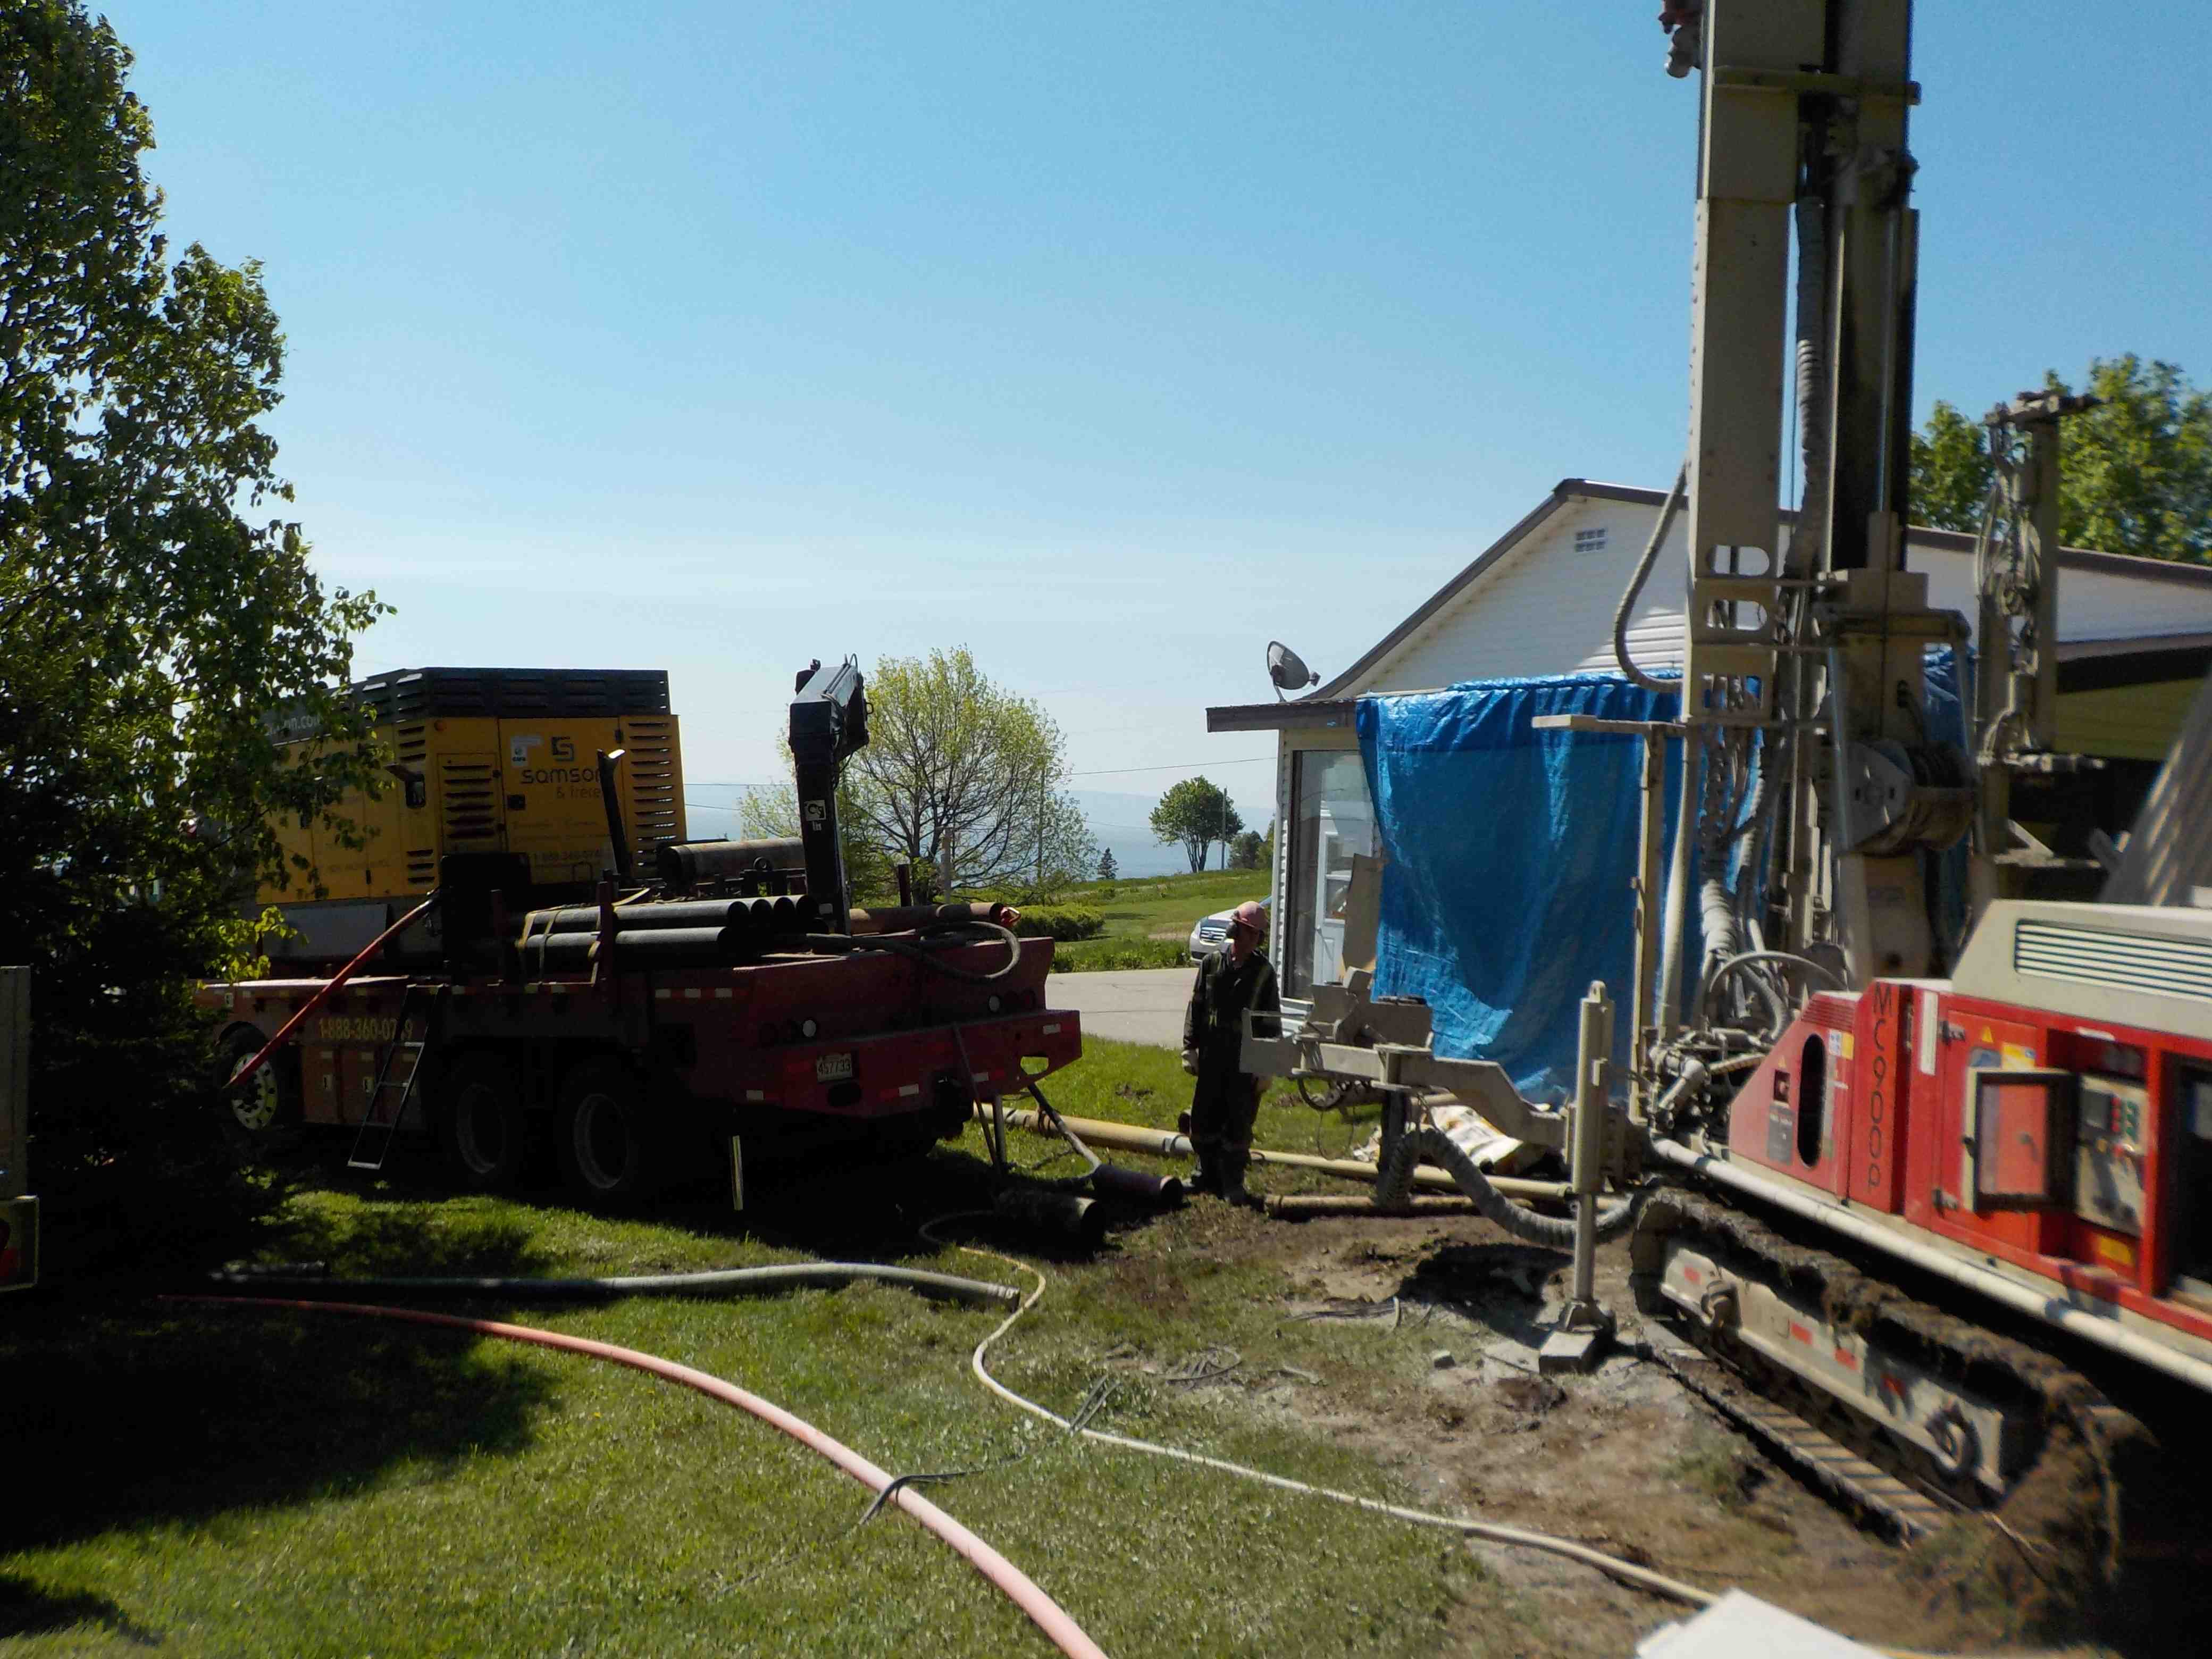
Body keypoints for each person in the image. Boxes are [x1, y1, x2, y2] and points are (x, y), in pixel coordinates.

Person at [1180, 900, 1280, 1204]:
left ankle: (1232, 1183)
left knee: (1238, 1124)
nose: (1254, 940)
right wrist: (1189, 1048)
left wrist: (1265, 1067)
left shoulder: (1264, 973)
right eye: (1249, 933)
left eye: (1258, 935)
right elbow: (1197, 1006)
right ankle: (1205, 1173)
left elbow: (1270, 1022)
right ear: (1235, 930)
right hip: (1212, 1056)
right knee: (1203, 1121)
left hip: (1244, 1061)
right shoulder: (1211, 964)